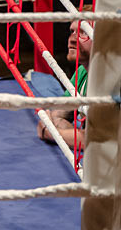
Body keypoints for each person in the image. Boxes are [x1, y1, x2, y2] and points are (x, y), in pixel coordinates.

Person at [36, 13, 93, 149]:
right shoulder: (82, 72)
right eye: (72, 31)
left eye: (83, 32)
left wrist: (51, 133)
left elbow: (94, 142)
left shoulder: (112, 81)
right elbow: (57, 115)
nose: (72, 39)